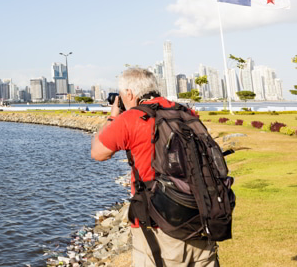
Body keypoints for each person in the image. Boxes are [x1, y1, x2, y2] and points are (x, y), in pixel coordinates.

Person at [90, 68, 219, 267]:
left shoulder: (130, 119)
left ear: (129, 94)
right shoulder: (185, 112)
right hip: (200, 215)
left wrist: (112, 116)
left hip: (158, 225)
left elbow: (98, 153)